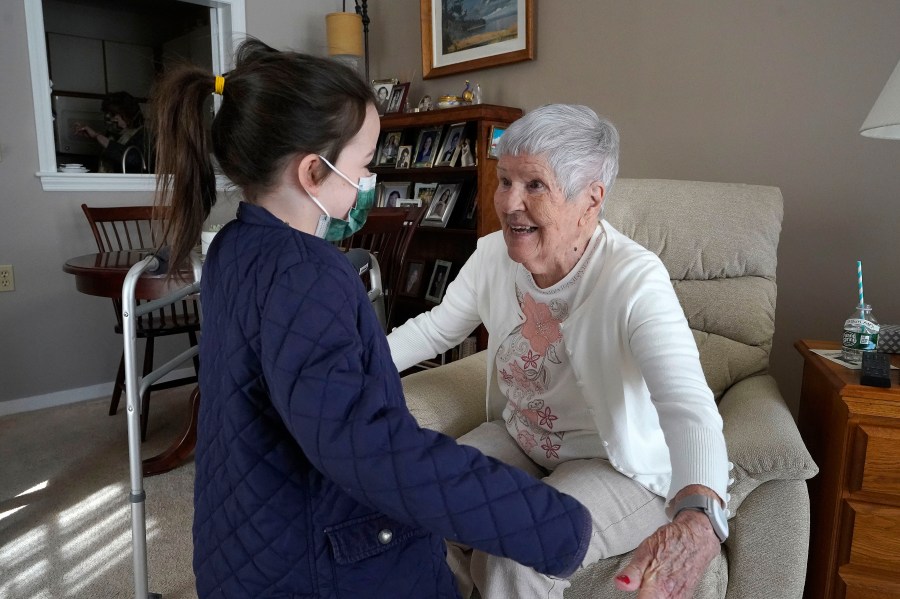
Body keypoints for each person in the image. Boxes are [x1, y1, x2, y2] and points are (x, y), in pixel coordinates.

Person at [150, 40, 592, 599]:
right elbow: (369, 448)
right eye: (364, 164)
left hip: (244, 543)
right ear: (314, 170)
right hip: (321, 564)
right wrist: (552, 523)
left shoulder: (233, 249)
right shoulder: (308, 273)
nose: (369, 178)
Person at [387, 104, 729, 599]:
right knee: (422, 508)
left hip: (615, 464)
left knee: (517, 553)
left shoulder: (634, 279)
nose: (508, 203)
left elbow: (686, 402)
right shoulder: (491, 257)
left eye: (534, 185)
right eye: (505, 180)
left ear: (590, 200)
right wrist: (340, 372)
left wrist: (700, 517)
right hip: (522, 437)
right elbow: (431, 331)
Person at [74, 91, 152, 173]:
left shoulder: (143, 135)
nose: (111, 119)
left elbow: (132, 158)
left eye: (114, 114)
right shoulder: (113, 135)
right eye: (108, 114)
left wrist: (97, 136)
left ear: (128, 114)